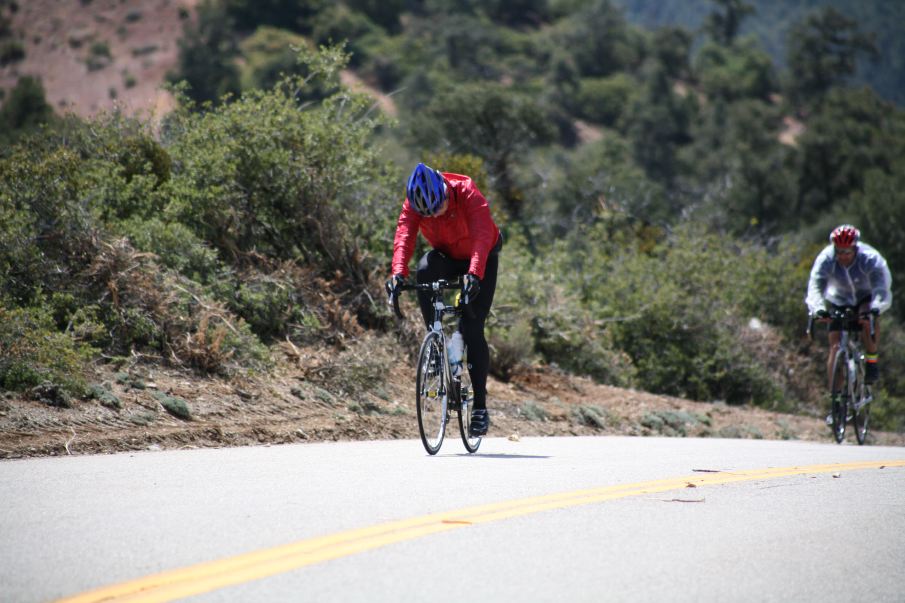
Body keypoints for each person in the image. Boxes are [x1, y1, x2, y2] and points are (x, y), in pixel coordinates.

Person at [386, 163, 503, 437]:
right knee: (425, 269)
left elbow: (482, 236)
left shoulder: (467, 192)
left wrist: (474, 274)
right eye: (427, 213)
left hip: (481, 254)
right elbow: (404, 235)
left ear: (444, 189)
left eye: (438, 208)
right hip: (447, 256)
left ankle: (480, 410)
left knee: (473, 328)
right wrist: (398, 273)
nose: (435, 215)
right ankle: (436, 340)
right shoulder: (413, 205)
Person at [805, 225, 892, 399]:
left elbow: (881, 289)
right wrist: (819, 309)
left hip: (865, 296)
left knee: (867, 317)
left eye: (847, 252)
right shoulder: (826, 259)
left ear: (855, 248)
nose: (843, 256)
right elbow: (815, 287)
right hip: (839, 299)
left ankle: (872, 360)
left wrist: (876, 307)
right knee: (835, 345)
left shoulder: (870, 259)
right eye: (839, 252)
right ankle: (835, 397)